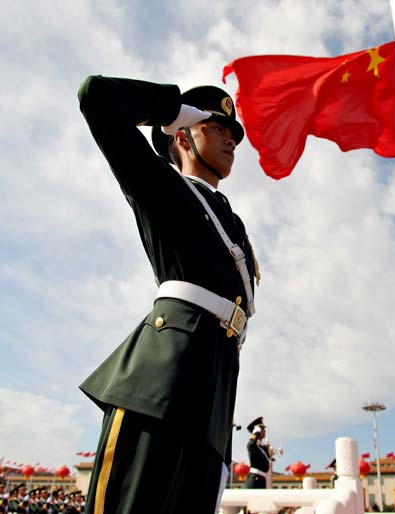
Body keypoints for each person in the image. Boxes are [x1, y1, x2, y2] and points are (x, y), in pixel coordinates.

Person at [77, 75, 259, 514]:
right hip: (162, 384)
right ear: (183, 136)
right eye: (215, 128)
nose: (230, 139)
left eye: (232, 132)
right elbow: (96, 98)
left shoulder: (232, 222)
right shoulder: (162, 187)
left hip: (215, 392)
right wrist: (175, 110)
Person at [244, 417, 271, 489]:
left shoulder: (262, 446)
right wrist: (256, 433)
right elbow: (250, 445)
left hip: (261, 479)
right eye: (262, 428)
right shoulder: (253, 445)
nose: (264, 431)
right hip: (255, 479)